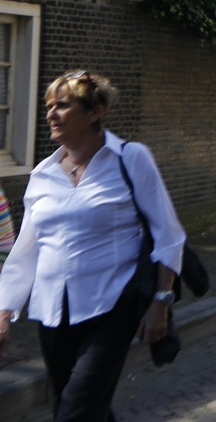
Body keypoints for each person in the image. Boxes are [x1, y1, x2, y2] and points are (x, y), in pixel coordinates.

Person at [0, 70, 186, 420]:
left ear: (95, 112)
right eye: (49, 106)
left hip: (111, 307)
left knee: (76, 409)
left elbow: (168, 234)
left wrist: (161, 302)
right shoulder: (42, 174)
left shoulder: (130, 158)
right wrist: (4, 312)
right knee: (82, 407)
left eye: (62, 105)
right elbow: (26, 252)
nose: (51, 114)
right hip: (52, 313)